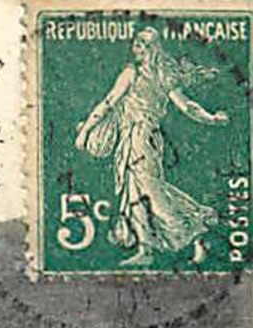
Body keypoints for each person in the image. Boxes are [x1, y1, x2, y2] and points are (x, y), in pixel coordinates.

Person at [75, 27, 229, 267]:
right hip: (136, 140)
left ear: (150, 48)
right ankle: (146, 248)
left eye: (142, 44)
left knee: (152, 195)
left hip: (141, 139)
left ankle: (197, 230)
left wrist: (86, 131)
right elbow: (185, 106)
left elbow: (109, 102)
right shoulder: (148, 74)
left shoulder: (144, 73)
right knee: (137, 194)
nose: (137, 49)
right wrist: (211, 118)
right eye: (137, 43)